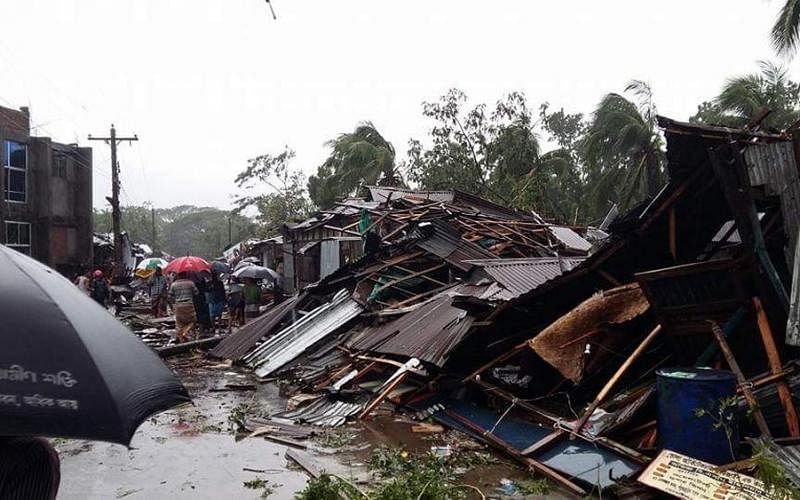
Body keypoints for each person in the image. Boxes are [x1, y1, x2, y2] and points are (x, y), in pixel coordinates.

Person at [169, 272, 199, 343]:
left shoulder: (174, 284)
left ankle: (181, 339)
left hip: (178, 306)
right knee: (193, 321)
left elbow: (170, 296)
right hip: (189, 305)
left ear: (178, 275)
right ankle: (186, 333)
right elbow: (196, 293)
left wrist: (173, 304)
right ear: (186, 275)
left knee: (179, 324)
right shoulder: (191, 283)